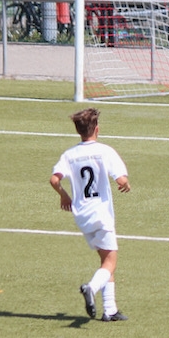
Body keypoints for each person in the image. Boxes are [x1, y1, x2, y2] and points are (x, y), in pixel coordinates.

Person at [49, 107, 132, 321]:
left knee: (105, 259)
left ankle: (110, 310)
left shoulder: (69, 155)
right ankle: (91, 288)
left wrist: (64, 196)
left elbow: (54, 179)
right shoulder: (105, 151)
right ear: (97, 129)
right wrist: (125, 183)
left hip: (82, 215)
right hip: (101, 214)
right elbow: (120, 179)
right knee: (111, 262)